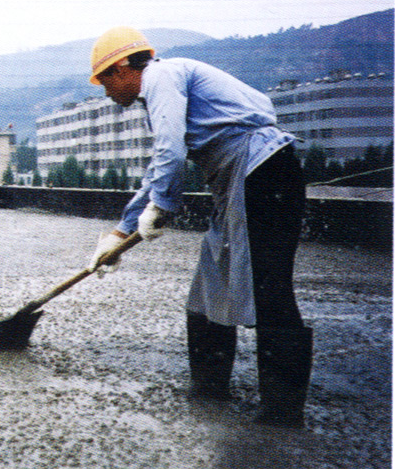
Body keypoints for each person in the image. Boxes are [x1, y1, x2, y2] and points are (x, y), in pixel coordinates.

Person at [87, 26, 311, 428]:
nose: (106, 92)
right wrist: (120, 233)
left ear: (121, 67)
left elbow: (170, 150)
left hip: (260, 173)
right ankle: (209, 387)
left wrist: (162, 205)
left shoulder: (161, 75)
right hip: (236, 181)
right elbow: (160, 166)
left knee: (268, 288)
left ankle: (283, 411)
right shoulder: (163, 86)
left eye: (104, 81)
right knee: (210, 285)